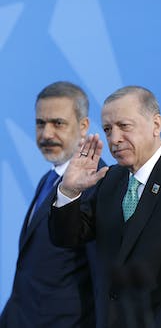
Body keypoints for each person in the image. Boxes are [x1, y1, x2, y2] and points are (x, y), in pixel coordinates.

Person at [49, 86, 161, 328]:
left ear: (156, 125)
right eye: (108, 129)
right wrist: (69, 191)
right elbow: (68, 238)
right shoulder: (109, 179)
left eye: (124, 126)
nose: (114, 139)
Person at [0, 81, 106, 328]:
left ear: (83, 127)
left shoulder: (97, 185)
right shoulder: (47, 180)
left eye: (58, 123)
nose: (46, 134)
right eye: (40, 123)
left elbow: (102, 276)